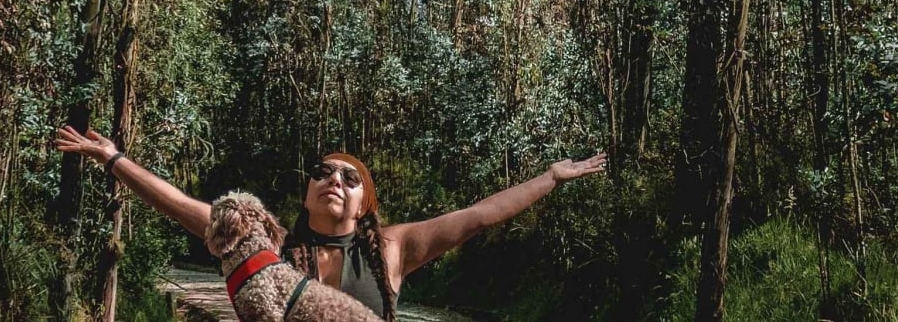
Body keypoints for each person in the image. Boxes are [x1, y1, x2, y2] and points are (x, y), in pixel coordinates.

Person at [56, 126, 607, 321]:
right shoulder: (265, 242)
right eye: (323, 173)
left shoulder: (392, 249)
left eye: (349, 177)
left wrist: (550, 178)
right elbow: (180, 204)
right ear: (307, 190)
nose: (334, 181)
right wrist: (113, 159)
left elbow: (478, 217)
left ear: (364, 203)